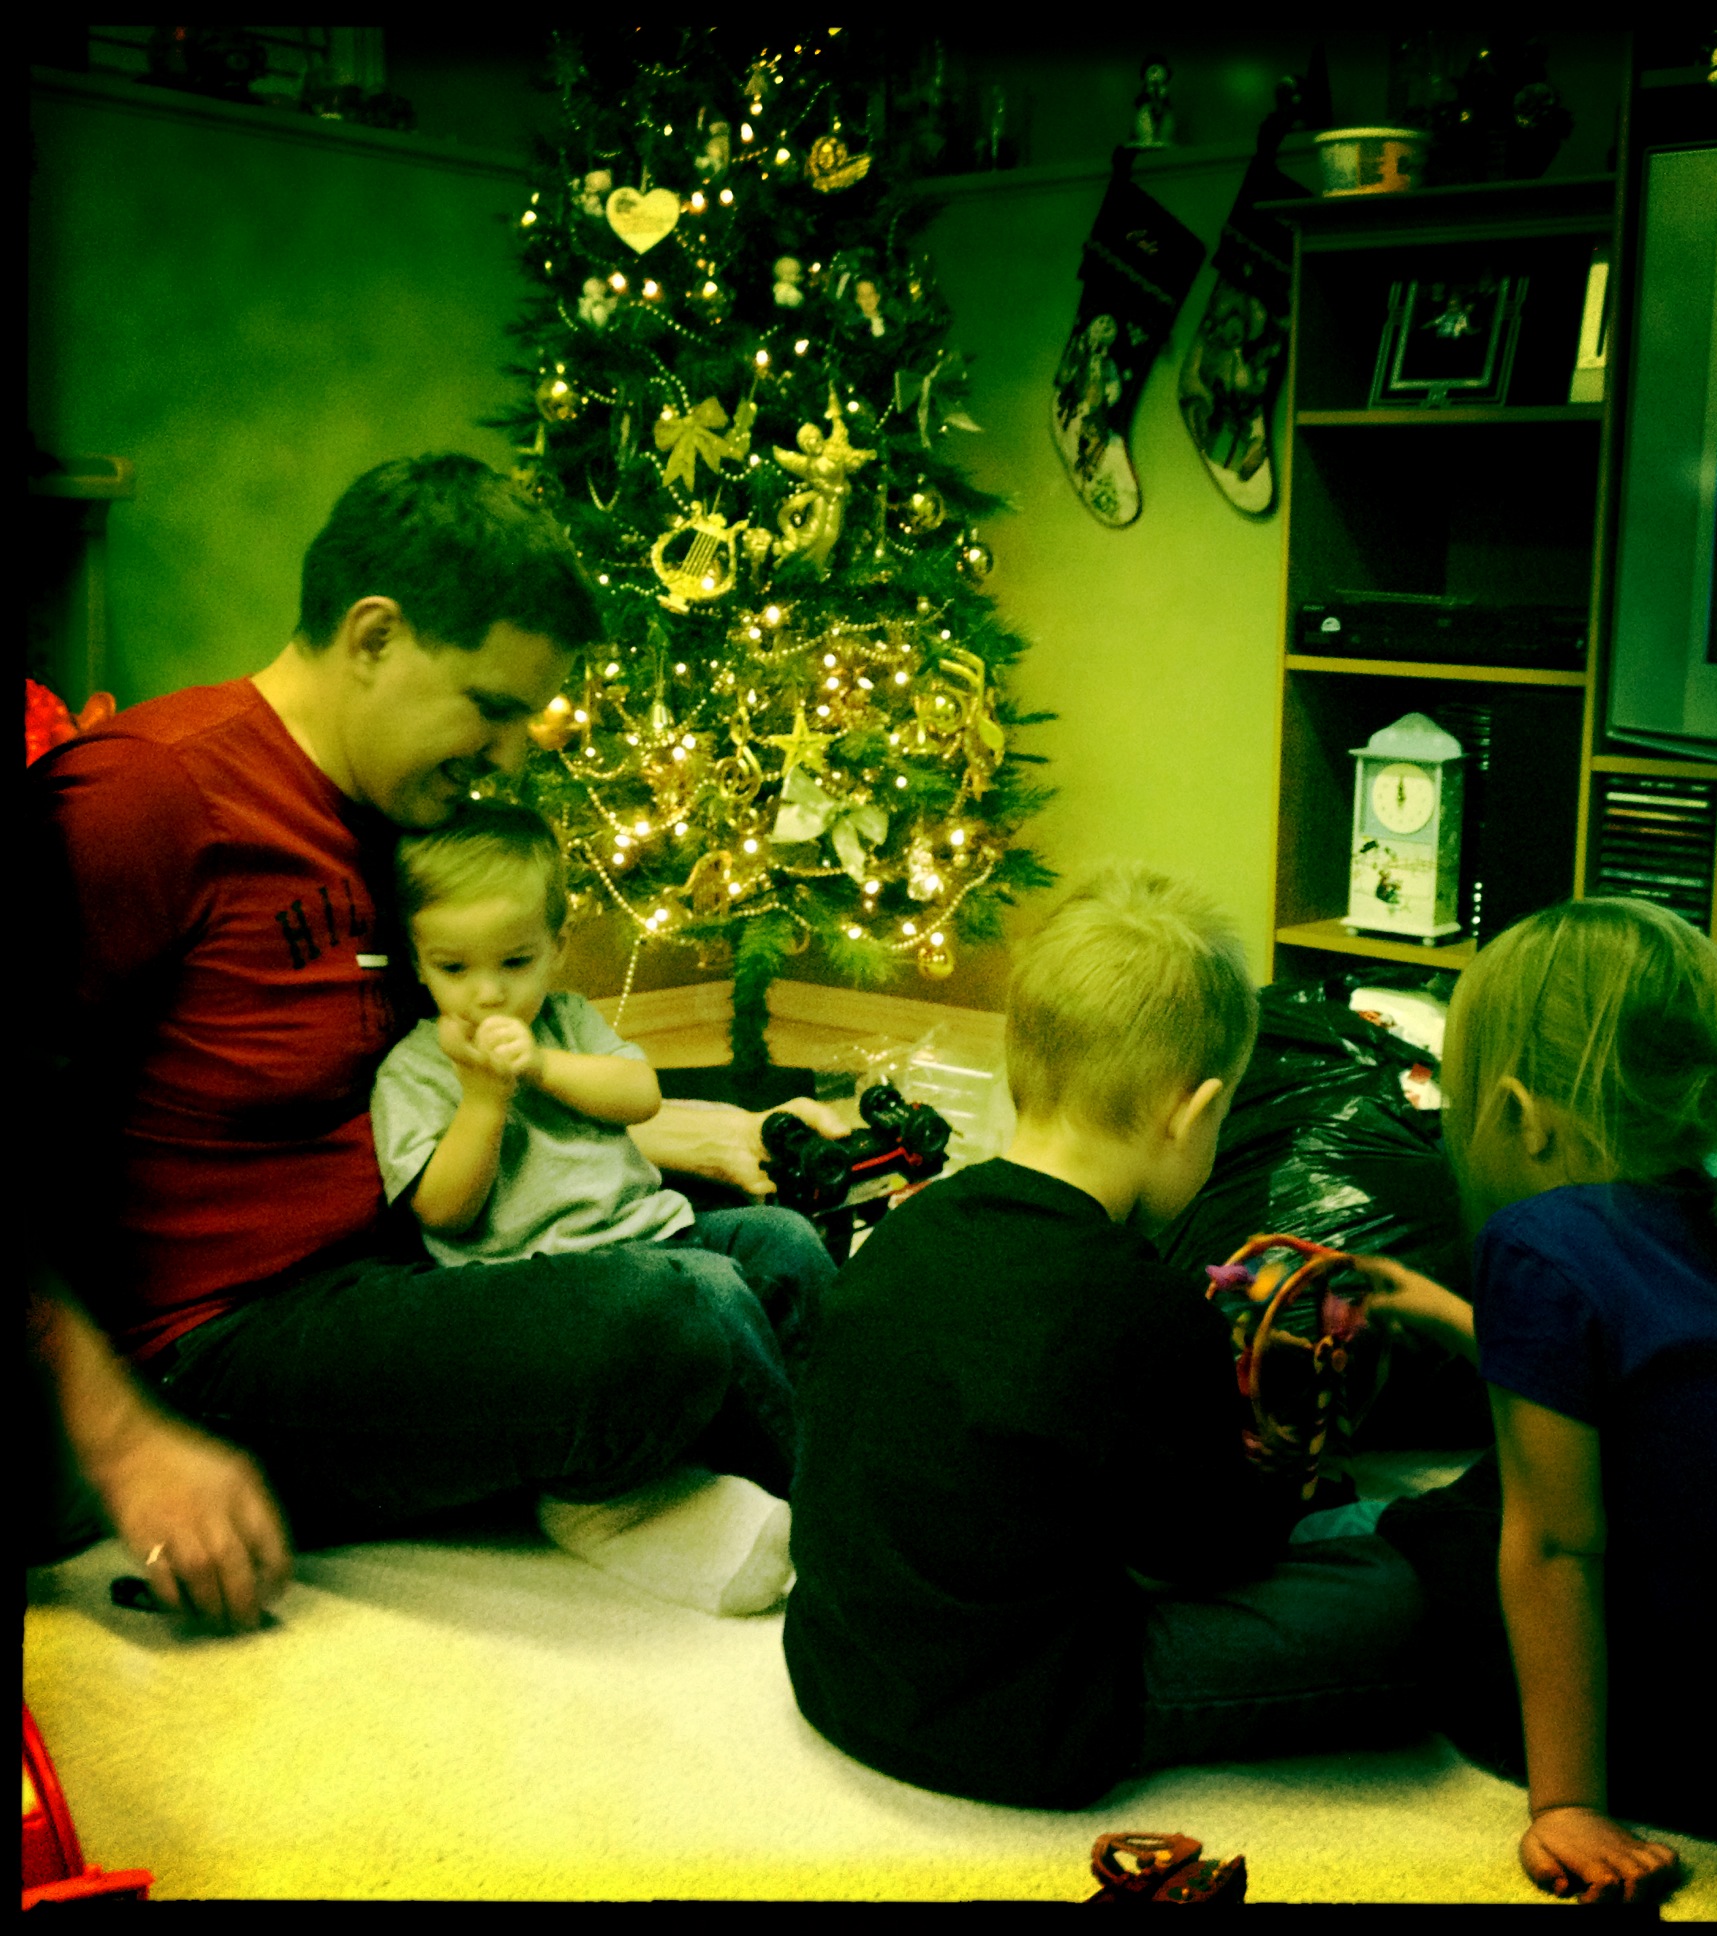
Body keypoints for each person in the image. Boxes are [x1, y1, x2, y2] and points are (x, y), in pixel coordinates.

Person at [28, 452, 843, 1631]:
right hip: (223, 1352)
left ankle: (770, 1489)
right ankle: (867, 1562)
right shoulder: (146, 797)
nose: (512, 756)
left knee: (771, 1249)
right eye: (493, 708)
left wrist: (695, 1124)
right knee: (682, 1310)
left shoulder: (397, 813)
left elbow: (467, 1060)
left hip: (418, 1266)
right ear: (374, 636)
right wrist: (123, 1442)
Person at [782, 864, 1428, 1809]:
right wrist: (1284, 1474)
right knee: (1394, 1603)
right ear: (1192, 1114)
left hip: (838, 1671)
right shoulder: (1145, 1306)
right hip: (1027, 1720)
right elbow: (1207, 1559)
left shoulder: (908, 1228)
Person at [1357, 898, 1717, 1900]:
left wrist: (1568, 1802)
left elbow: (1559, 1545)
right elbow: (1647, 1394)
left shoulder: (1539, 1243)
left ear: (1519, 1110)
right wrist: (1439, 1311)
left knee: (1427, 1533)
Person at [370, 802, 820, 1552]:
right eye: (454, 968)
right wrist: (483, 1099)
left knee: (784, 1239)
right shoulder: (415, 1070)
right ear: (418, 962)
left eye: (515, 963)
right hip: (549, 1282)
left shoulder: (569, 1022)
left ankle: (842, 1420)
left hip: (653, 1233)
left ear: (556, 948)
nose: (488, 993)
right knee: (713, 1289)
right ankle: (807, 1486)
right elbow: (444, 1213)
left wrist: (542, 1066)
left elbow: (640, 1096)